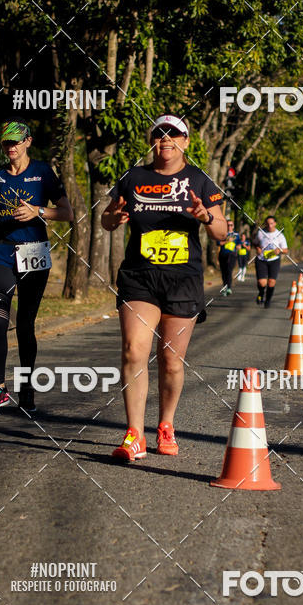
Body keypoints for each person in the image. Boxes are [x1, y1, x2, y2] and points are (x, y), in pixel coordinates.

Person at [101, 113, 227, 461]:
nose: (166, 139)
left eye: (175, 134)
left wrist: (206, 217)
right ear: (151, 139)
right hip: (140, 277)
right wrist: (116, 217)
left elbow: (222, 233)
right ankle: (134, 434)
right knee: (133, 351)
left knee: (171, 362)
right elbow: (107, 220)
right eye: (160, 133)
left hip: (182, 279)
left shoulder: (199, 180)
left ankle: (166, 425)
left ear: (186, 142)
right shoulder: (133, 177)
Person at [0, 122, 73, 415]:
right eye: (6, 143)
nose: (11, 147)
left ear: (28, 141)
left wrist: (38, 211)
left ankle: (27, 386)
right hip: (2, 252)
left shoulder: (43, 172)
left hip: (34, 254)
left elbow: (67, 213)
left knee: (26, 324)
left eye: (16, 142)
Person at [252, 215, 288, 308]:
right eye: (268, 224)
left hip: (274, 260)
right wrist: (257, 248)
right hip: (261, 260)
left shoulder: (279, 235)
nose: (270, 225)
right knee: (262, 282)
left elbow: (286, 250)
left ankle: (268, 300)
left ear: (275, 224)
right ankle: (261, 293)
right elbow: (255, 243)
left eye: (271, 223)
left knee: (271, 282)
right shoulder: (261, 233)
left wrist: (279, 250)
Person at [218, 219, 240, 295]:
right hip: (223, 254)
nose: (229, 227)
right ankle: (225, 287)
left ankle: (229, 288)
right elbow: (219, 243)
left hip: (232, 255)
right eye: (228, 225)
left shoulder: (236, 235)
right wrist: (227, 241)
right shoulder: (222, 234)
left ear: (233, 226)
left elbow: (239, 244)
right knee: (224, 272)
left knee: (229, 270)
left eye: (231, 225)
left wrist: (238, 247)